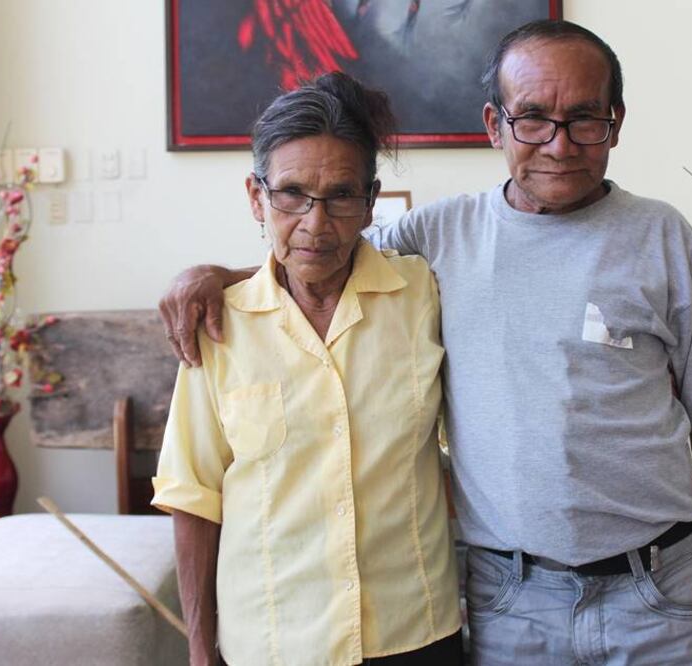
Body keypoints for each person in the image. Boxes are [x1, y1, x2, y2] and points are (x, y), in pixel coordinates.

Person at [160, 21, 692, 666]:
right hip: (512, 597)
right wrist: (217, 278)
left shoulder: (660, 236)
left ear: (615, 122)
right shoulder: (441, 237)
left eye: (584, 119)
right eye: (532, 118)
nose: (558, 145)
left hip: (659, 586)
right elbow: (316, 251)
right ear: (493, 124)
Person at [151, 72, 462, 666]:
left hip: (414, 630)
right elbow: (194, 495)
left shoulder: (424, 296)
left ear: (371, 202)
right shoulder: (219, 326)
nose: (316, 224)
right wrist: (198, 647)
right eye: (291, 194)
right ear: (255, 197)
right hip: (272, 639)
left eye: (341, 196)